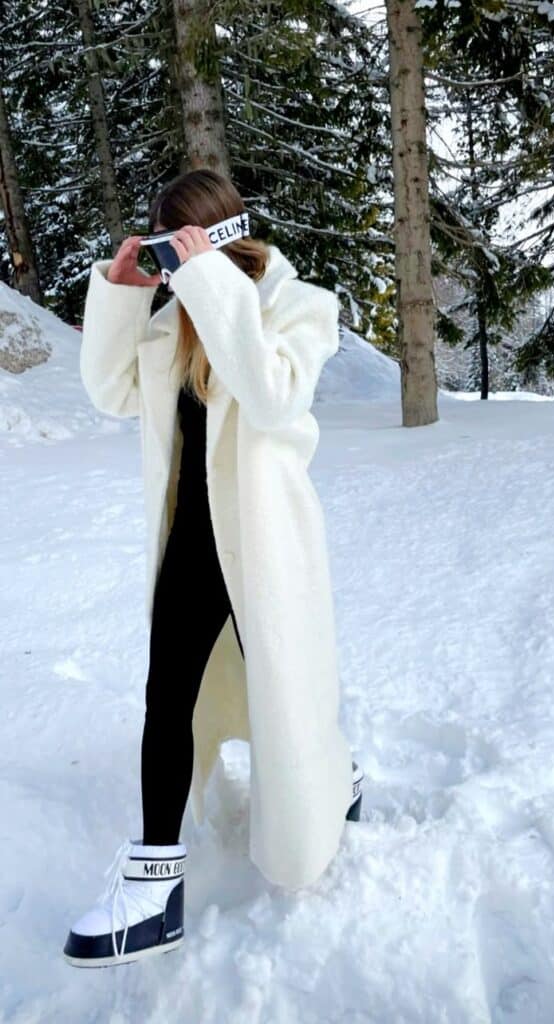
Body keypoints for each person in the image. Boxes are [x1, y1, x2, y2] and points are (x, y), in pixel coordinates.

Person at [63, 169, 364, 968]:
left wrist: (205, 283)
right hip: (194, 546)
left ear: (222, 234)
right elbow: (109, 394)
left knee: (291, 690)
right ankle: (154, 885)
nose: (173, 267)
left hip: (268, 546)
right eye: (163, 253)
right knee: (169, 696)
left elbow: (272, 395)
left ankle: (333, 779)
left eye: (181, 247)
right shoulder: (171, 325)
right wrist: (126, 293)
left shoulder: (300, 308)